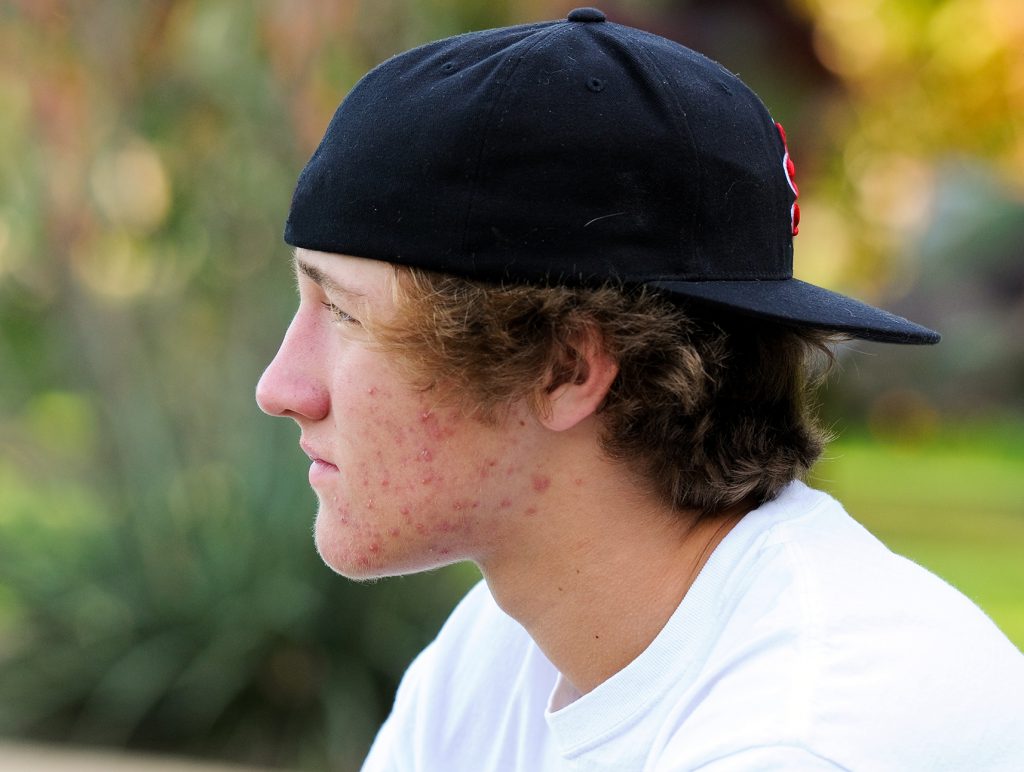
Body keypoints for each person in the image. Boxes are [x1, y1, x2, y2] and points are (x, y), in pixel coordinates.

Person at [256, 8, 1024, 770]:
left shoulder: (799, 739)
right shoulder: (504, 651)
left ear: (567, 368)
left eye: (346, 314)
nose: (281, 387)